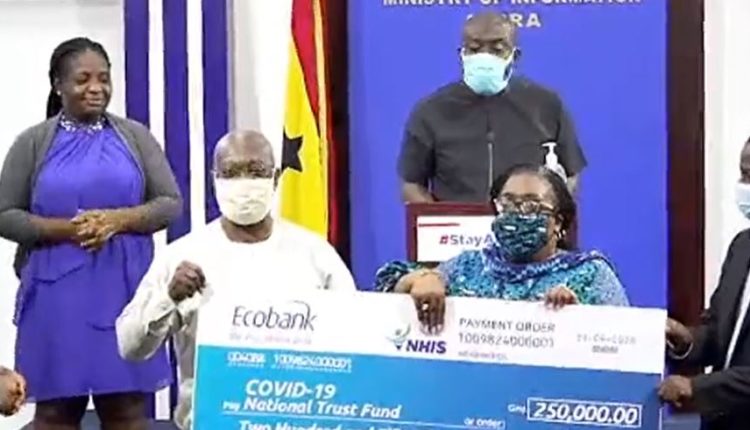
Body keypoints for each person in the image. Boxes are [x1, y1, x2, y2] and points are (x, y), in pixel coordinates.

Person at [116, 130, 357, 430]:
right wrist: (167, 298)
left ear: (276, 178)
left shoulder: (314, 254)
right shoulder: (182, 255)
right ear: (215, 179)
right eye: (231, 173)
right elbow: (130, 346)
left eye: (256, 171)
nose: (244, 182)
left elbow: (354, 335)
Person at [0, 37, 181, 429]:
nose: (96, 88)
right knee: (56, 413)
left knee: (127, 411)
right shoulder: (33, 143)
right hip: (55, 297)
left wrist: (117, 221)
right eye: (82, 79)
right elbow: (5, 215)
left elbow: (169, 203)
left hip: (125, 292)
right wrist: (69, 229)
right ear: (58, 85)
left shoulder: (135, 137)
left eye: (103, 78)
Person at [376, 164, 627, 331]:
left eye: (530, 206)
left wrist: (579, 320)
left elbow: (624, 342)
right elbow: (388, 282)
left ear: (558, 222)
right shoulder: (470, 265)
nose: (516, 214)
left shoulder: (590, 274)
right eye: (506, 205)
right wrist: (424, 278)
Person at [398, 12, 586, 204]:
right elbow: (412, 184)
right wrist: (441, 219)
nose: (485, 58)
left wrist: (549, 212)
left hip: (526, 220)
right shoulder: (430, 111)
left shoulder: (546, 105)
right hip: (458, 222)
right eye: (475, 49)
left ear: (514, 56)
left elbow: (571, 174)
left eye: (497, 50)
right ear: (462, 55)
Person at [660, 137, 750, 430]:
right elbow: (719, 331)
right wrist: (685, 339)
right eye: (743, 174)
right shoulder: (742, 247)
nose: (743, 185)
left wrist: (695, 388)